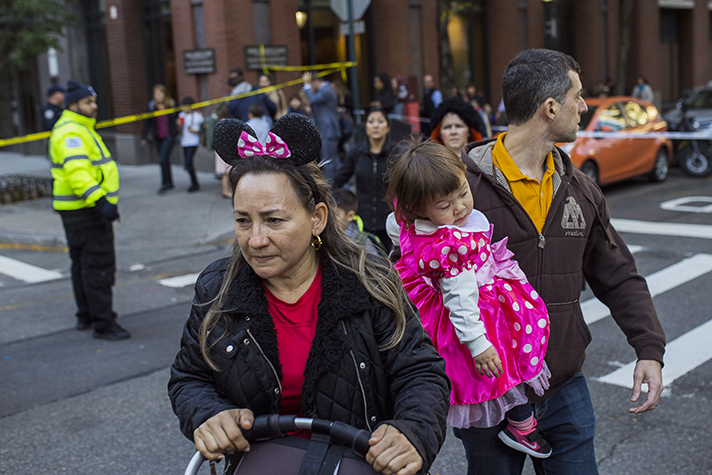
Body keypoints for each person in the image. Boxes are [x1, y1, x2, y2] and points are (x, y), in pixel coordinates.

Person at [167, 113, 450, 475]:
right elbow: (190, 377)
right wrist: (208, 414)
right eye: (242, 221)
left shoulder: (370, 281)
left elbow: (421, 372)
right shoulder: (216, 290)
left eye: (274, 220)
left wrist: (412, 431)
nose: (255, 240)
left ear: (317, 217)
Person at [459, 48, 666, 474]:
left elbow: (619, 276)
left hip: (565, 386)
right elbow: (411, 284)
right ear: (550, 108)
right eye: (578, 95)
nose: (584, 106)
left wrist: (649, 347)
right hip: (492, 395)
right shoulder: (459, 193)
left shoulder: (582, 190)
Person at [385, 139, 553, 460]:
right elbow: (461, 298)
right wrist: (478, 343)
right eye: (445, 205)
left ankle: (519, 422)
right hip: (479, 315)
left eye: (463, 192)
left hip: (467, 303)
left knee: (506, 367)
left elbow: (396, 226)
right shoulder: (451, 247)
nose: (461, 207)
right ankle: (522, 425)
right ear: (418, 208)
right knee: (507, 366)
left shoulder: (410, 221)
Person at [48, 80, 129, 340]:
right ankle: (104, 324)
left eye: (94, 101)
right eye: (88, 102)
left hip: (78, 210)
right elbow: (78, 172)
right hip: (86, 211)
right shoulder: (72, 131)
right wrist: (102, 202)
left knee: (82, 265)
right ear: (73, 105)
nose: (94, 106)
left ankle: (86, 315)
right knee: (98, 267)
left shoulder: (77, 128)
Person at [333, 108, 397, 253]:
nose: (375, 125)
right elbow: (340, 178)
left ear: (387, 127)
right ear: (365, 126)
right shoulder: (357, 153)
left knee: (392, 262)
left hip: (390, 221)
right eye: (371, 121)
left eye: (380, 122)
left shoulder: (396, 153)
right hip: (363, 221)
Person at [302, 71, 342, 180]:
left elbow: (313, 99)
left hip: (328, 130)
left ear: (316, 81)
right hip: (326, 129)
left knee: (328, 161)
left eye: (312, 84)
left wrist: (306, 85)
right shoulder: (327, 89)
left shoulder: (326, 90)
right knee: (333, 160)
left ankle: (332, 186)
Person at [141, 84, 179, 194]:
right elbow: (146, 123)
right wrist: (144, 137)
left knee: (162, 159)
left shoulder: (171, 104)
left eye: (160, 93)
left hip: (169, 136)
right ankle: (170, 183)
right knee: (164, 160)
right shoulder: (152, 107)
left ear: (164, 94)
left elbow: (178, 117)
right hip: (158, 137)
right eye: (156, 94)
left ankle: (165, 184)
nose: (158, 96)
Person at [332, 187, 385, 256]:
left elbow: (376, 264)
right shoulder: (324, 237)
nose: (330, 217)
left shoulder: (363, 242)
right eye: (328, 213)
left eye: (336, 214)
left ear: (350, 216)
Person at [177, 97, 203, 193]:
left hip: (193, 141)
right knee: (188, 164)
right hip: (184, 141)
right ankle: (194, 182)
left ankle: (194, 183)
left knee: (188, 162)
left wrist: (194, 130)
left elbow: (201, 129)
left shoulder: (197, 116)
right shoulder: (181, 115)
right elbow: (180, 128)